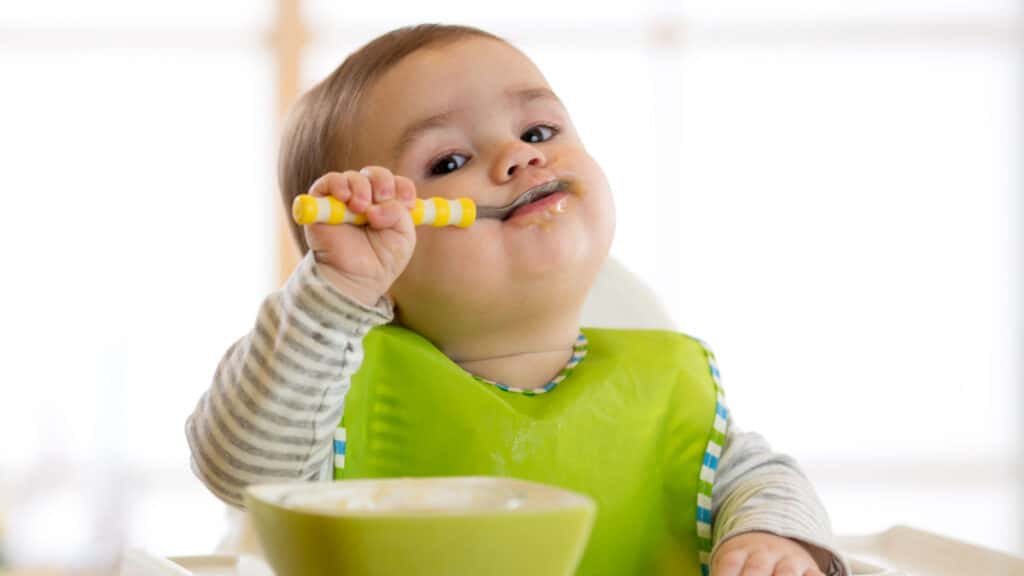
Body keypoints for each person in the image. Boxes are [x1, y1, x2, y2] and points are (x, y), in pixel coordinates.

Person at [187, 24, 849, 576]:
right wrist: (335, 294)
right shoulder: (335, 400)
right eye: (446, 162)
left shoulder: (669, 395)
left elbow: (767, 483)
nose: (516, 156)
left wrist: (770, 544)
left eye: (538, 132)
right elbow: (241, 470)